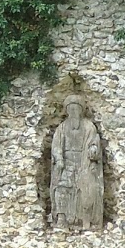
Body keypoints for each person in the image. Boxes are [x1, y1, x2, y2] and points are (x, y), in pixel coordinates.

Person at [49, 96, 104, 229]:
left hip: (84, 162)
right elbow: (56, 146)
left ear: (81, 110)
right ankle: (62, 217)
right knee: (61, 188)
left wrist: (93, 150)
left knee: (87, 189)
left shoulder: (88, 126)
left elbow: (94, 142)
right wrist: (59, 159)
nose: (73, 112)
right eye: (71, 109)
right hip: (66, 163)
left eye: (76, 108)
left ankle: (85, 219)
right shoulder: (62, 128)